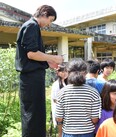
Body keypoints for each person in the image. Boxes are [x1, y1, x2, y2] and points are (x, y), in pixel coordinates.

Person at [15, 5, 63, 137]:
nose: (49, 24)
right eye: (50, 20)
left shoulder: (31, 26)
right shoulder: (32, 26)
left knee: (34, 115)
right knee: (33, 116)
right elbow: (31, 54)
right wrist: (54, 57)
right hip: (31, 79)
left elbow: (31, 55)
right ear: (44, 14)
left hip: (31, 78)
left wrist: (48, 62)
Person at [55, 58, 101, 137]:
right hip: (88, 133)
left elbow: (59, 118)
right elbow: (95, 119)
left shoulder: (62, 92)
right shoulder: (93, 92)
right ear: (85, 73)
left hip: (68, 133)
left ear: (68, 73)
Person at [51, 63, 68, 136]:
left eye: (66, 71)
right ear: (58, 72)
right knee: (60, 133)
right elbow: (55, 100)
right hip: (60, 113)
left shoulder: (64, 83)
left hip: (64, 112)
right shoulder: (56, 84)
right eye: (62, 71)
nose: (64, 73)